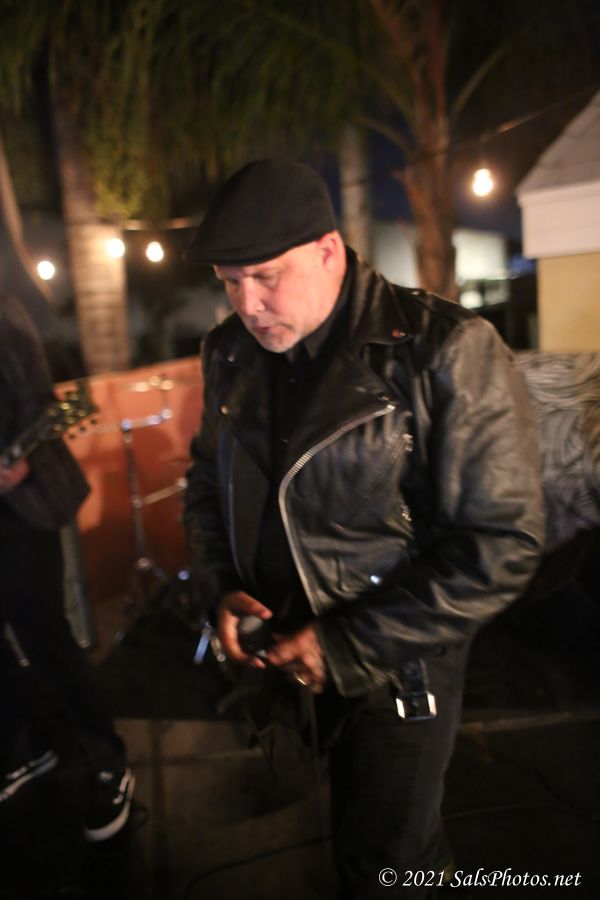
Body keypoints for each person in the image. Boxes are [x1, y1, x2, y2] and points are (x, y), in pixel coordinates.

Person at [183, 159, 545, 898]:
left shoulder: (446, 347)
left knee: (385, 866)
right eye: (230, 282)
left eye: (266, 276)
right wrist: (219, 584)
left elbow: (502, 542)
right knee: (380, 851)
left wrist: (348, 644)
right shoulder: (228, 351)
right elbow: (205, 485)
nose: (248, 304)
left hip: (399, 672)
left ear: (328, 251)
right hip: (283, 657)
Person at [0, 293, 134, 842]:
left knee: (45, 638)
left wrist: (20, 462)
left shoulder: (4, 314)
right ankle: (25, 750)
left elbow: (41, 403)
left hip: (18, 509)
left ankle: (107, 759)